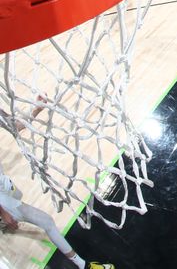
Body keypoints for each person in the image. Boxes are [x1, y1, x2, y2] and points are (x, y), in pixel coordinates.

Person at [0, 102, 114, 269]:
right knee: (46, 221)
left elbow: (16, 126)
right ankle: (84, 266)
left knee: (18, 195)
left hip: (4, 184)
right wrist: (3, 213)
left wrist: (36, 110)